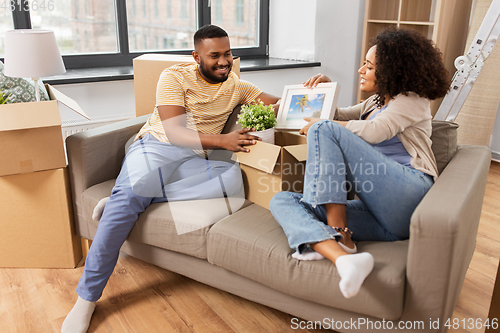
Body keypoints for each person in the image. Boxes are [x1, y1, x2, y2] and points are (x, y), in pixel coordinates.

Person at [61, 25, 279, 333]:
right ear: (196, 56)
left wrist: (313, 92)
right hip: (158, 146)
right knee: (129, 199)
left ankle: (133, 196)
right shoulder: (174, 77)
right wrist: (225, 141)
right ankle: (86, 298)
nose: (223, 61)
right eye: (214, 55)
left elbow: (279, 104)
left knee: (232, 178)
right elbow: (176, 133)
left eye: (227, 53)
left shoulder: (237, 86)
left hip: (195, 159)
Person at [269, 27, 450, 299]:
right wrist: (325, 90)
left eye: (368, 65)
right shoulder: (373, 104)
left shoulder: (413, 101)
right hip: (382, 218)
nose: (360, 70)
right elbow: (339, 116)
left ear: (393, 70)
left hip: (410, 196)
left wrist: (326, 124)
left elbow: (375, 130)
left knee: (323, 129)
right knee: (281, 200)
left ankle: (339, 231)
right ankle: (343, 257)